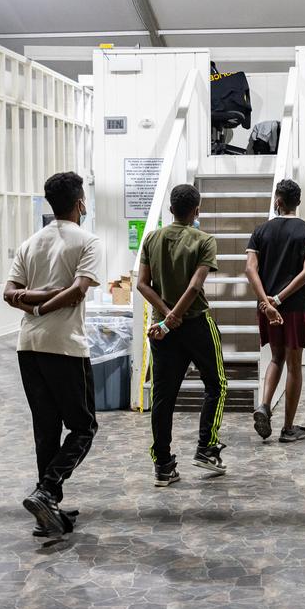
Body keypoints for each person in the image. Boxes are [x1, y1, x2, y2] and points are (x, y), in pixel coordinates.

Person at [3, 172, 101, 537]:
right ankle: (47, 491)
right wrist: (49, 301)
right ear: (80, 203)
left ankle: (48, 507)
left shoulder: (30, 243)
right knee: (84, 426)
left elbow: (11, 294)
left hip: (28, 347)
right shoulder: (88, 242)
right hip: (65, 346)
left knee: (46, 430)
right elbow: (76, 292)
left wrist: (32, 297)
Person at [136, 184, 228, 486]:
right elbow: (194, 287)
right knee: (216, 385)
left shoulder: (152, 238)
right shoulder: (204, 240)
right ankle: (206, 447)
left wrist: (165, 315)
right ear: (196, 210)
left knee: (163, 397)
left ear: (171, 208)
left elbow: (142, 284)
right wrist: (176, 315)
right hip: (196, 324)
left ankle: (163, 464)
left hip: (162, 330)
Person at [244, 179, 305, 442]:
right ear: (297, 203)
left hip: (266, 309)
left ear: (278, 201)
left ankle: (264, 405)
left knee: (275, 358)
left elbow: (250, 269)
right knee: (294, 365)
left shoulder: (260, 231)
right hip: (294, 307)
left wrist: (265, 302)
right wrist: (277, 299)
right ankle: (288, 428)